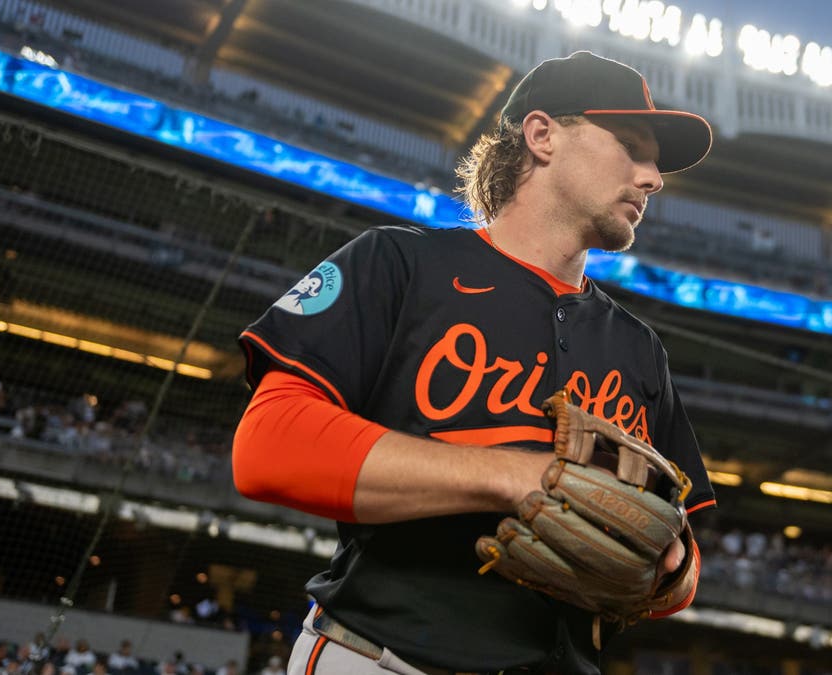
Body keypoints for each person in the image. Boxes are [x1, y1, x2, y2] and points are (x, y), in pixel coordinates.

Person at [232, 50, 717, 674]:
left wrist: (669, 569)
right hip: (383, 656)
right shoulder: (399, 265)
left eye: (656, 162)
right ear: (542, 135)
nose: (652, 177)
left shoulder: (639, 348)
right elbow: (269, 446)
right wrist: (512, 476)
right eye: (630, 144)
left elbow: (685, 551)